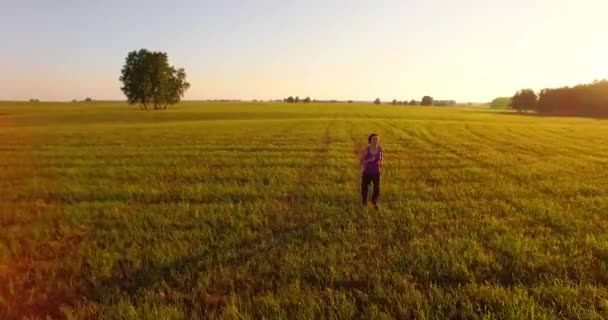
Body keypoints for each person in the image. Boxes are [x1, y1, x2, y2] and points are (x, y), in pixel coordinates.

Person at [360, 133, 383, 209]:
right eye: (373, 139)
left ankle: (374, 201)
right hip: (367, 172)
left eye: (377, 139)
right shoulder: (366, 150)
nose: (375, 140)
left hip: (376, 172)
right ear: (370, 140)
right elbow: (361, 161)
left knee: (377, 189)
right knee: (364, 189)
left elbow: (381, 159)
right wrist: (369, 160)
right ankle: (364, 203)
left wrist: (380, 164)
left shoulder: (380, 149)